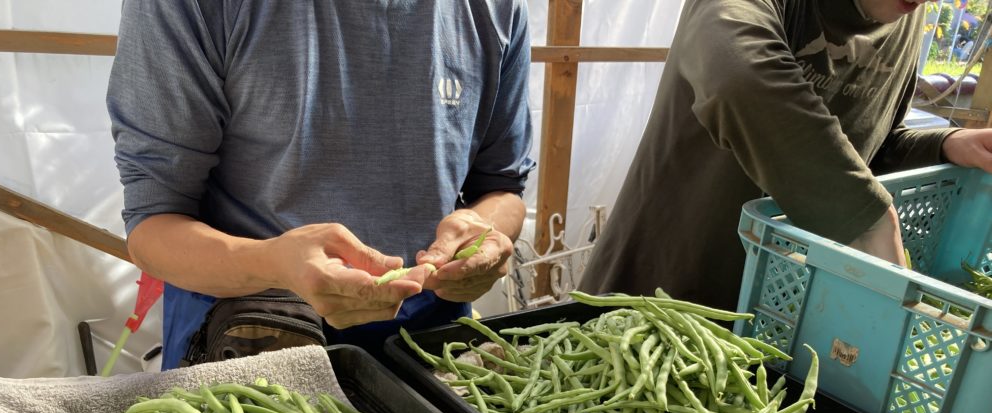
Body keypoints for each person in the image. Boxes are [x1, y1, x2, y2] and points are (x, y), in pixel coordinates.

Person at [107, 0, 534, 369]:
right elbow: (152, 227)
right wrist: (272, 264)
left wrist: (486, 231)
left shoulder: (497, 8)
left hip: (432, 352)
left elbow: (504, 188)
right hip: (249, 346)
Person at [579, 0, 992, 313]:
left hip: (777, 317)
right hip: (658, 293)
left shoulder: (906, 17)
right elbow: (735, 76)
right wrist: (863, 215)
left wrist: (944, 144)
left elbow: (864, 147)